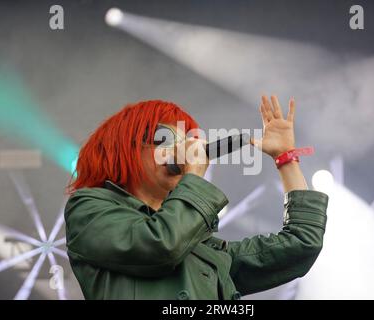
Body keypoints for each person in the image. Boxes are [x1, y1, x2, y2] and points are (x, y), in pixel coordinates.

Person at [64, 95, 328, 300]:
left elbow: (300, 244)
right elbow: (161, 246)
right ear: (125, 146)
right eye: (164, 138)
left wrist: (285, 159)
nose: (181, 149)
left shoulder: (203, 252)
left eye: (186, 141)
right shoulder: (89, 209)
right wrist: (193, 176)